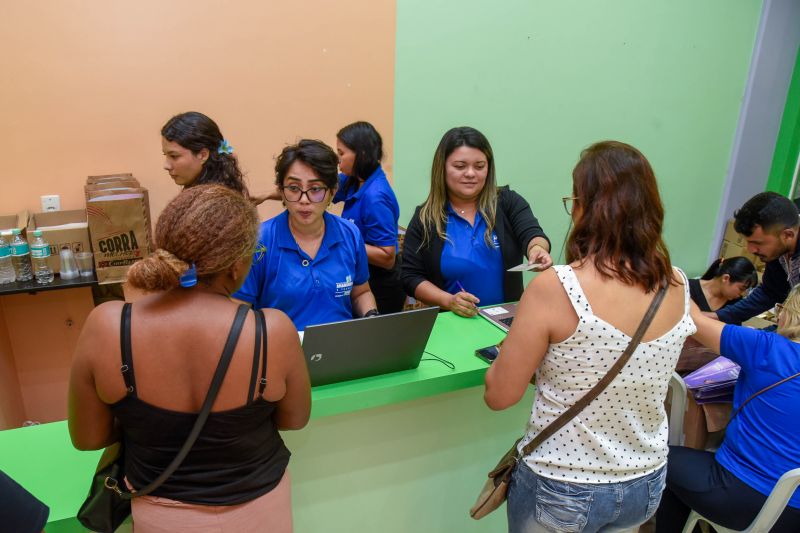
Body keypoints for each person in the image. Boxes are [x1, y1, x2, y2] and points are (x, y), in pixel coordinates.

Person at [68, 185, 311, 533]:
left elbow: (87, 438)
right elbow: (295, 419)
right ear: (236, 265)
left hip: (161, 517)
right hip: (260, 512)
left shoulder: (108, 326)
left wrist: (145, 420)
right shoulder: (271, 331)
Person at [483, 141, 696, 533]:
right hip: (644, 483)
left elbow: (500, 396)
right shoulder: (677, 284)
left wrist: (507, 354)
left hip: (564, 485)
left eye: (573, 199)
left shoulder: (557, 286)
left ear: (587, 208)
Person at [656, 288, 800, 532]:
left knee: (660, 460)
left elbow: (693, 318)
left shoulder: (768, 348)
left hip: (742, 495)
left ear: (790, 313)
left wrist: (673, 279)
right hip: (793, 516)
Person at [401, 127, 552, 317]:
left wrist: (537, 248)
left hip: (508, 322)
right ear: (442, 168)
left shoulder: (507, 202)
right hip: (452, 323)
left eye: (479, 166)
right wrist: (448, 300)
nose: (471, 173)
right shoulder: (426, 217)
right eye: (460, 166)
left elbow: (531, 233)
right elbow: (410, 277)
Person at [234, 140, 378, 331]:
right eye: (294, 188)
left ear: (332, 192)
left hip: (341, 350)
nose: (303, 200)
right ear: (281, 191)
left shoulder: (350, 234)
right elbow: (239, 310)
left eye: (315, 189)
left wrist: (372, 318)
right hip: (281, 353)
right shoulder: (259, 240)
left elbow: (361, 292)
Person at [334, 121, 405, 314]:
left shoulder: (375, 197)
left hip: (381, 284)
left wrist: (342, 240)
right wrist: (267, 195)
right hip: (362, 274)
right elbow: (318, 188)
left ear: (361, 154)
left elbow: (387, 257)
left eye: (341, 154)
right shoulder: (354, 179)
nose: (337, 160)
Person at [709, 192, 799, 324]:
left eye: (758, 243)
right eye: (748, 242)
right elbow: (770, 292)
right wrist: (719, 316)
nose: (751, 250)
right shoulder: (779, 249)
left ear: (788, 235)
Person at [161, 111, 260, 200]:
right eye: (165, 155)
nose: (166, 166)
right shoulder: (201, 195)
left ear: (203, 155)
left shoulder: (217, 205)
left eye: (174, 156)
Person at [690, 256, 757, 313]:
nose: (742, 294)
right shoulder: (688, 288)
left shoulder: (735, 302)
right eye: (741, 288)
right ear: (725, 278)